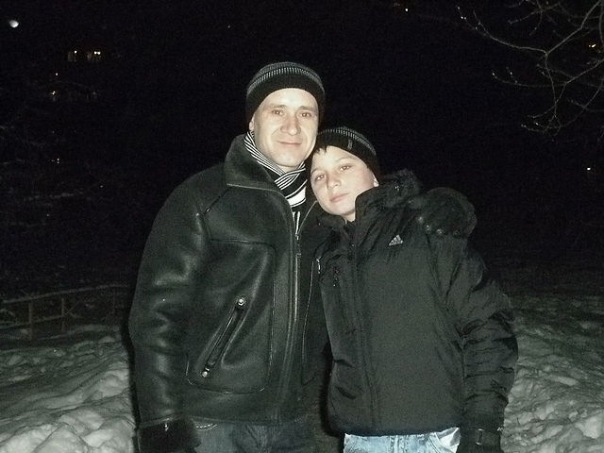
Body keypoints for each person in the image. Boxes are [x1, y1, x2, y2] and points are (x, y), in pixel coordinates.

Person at [128, 63, 479, 453]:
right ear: (252, 121)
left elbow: (382, 206)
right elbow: (157, 315)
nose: (292, 126)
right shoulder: (203, 198)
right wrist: (161, 421)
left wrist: (447, 203)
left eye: (306, 113)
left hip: (292, 422)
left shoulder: (327, 202)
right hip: (211, 420)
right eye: (277, 110)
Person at [308, 127, 518, 453]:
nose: (331, 182)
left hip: (438, 438)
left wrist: (482, 428)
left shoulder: (426, 226)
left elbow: (488, 326)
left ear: (374, 174)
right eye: (318, 176)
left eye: (344, 166)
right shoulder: (327, 255)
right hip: (361, 440)